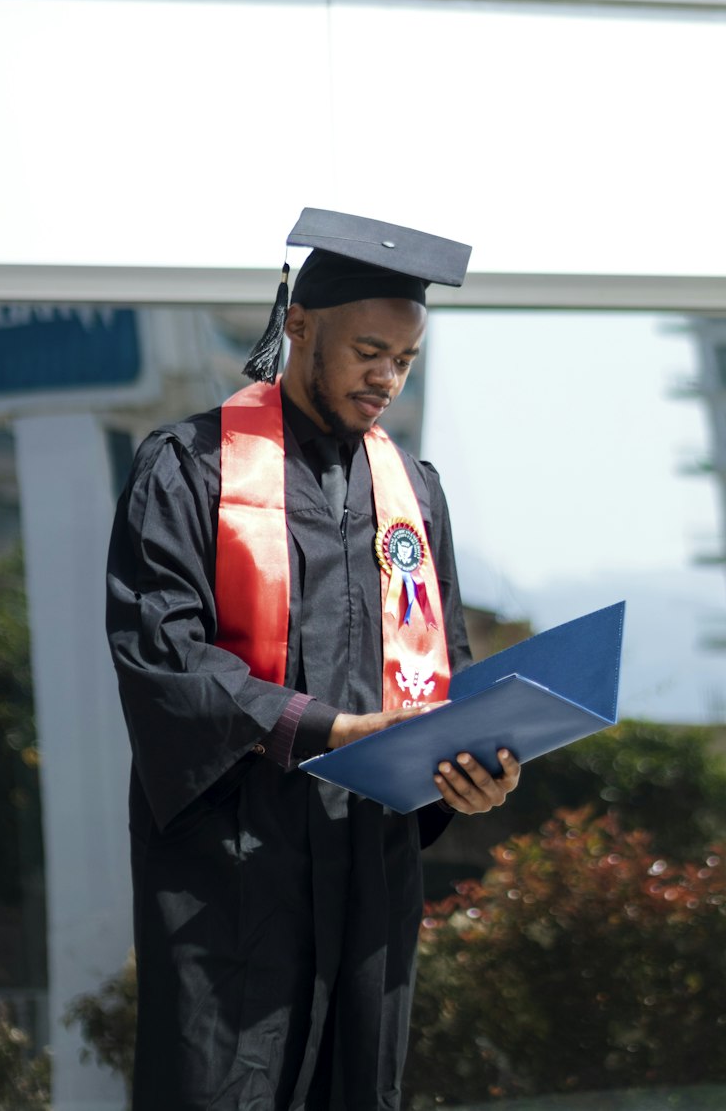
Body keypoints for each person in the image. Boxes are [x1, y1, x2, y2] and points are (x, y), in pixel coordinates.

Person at [106, 209, 520, 1111]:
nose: (387, 378)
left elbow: (444, 665)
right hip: (234, 866)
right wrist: (328, 729)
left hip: (370, 860)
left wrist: (468, 768)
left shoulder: (415, 494)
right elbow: (160, 651)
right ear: (297, 326)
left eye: (404, 361)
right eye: (369, 350)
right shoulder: (190, 469)